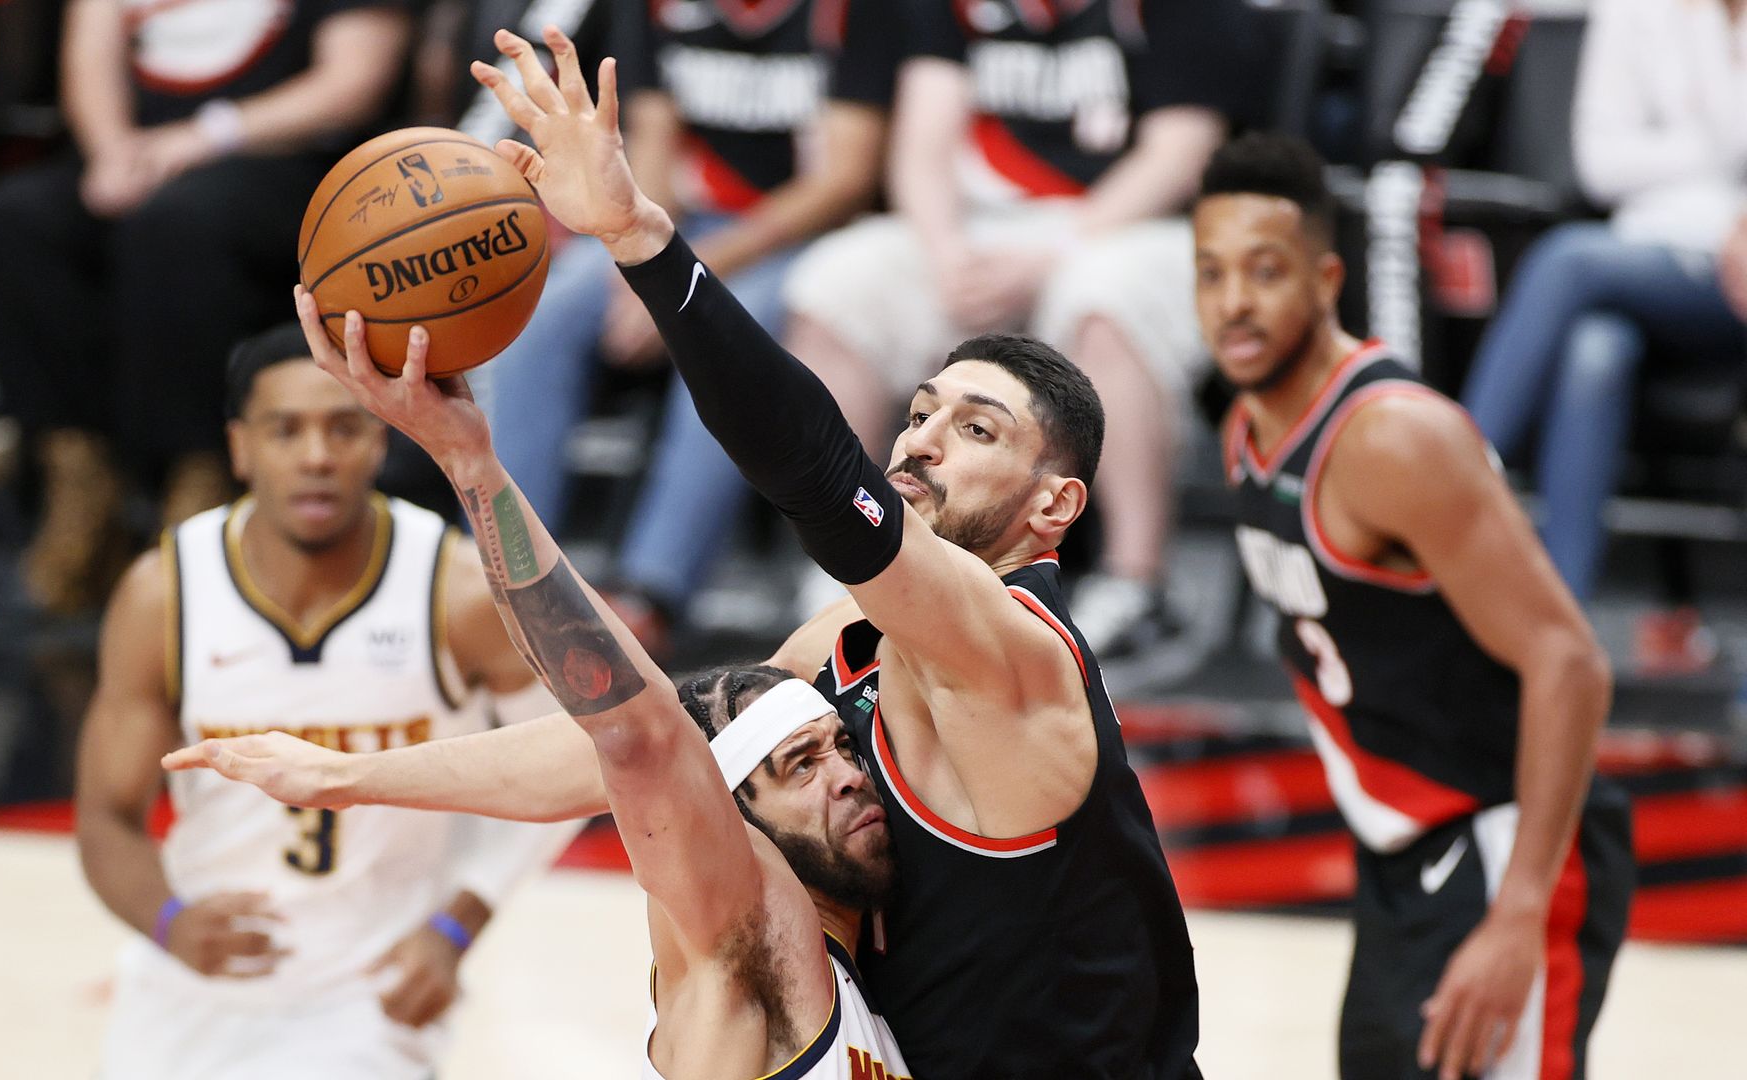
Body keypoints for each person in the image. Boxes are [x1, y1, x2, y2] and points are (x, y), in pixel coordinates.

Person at [171, 27, 1201, 1079]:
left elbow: (813, 472)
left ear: (1055, 506)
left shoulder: (1019, 655)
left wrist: (642, 242)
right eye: (924, 410)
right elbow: (641, 737)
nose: (923, 438)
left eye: (978, 431)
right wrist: (357, 775)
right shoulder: (850, 638)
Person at [179, 316, 912, 1080]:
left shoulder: (860, 988)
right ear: (729, 819)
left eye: (842, 747)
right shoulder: (747, 927)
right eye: (799, 766)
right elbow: (635, 728)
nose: (849, 773)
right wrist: (471, 462)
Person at [1197, 133, 1634, 1080]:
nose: (1233, 302)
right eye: (1211, 273)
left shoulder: (1394, 440)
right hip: (1405, 854)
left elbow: (1571, 662)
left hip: (1506, 839)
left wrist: (1519, 913)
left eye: (1263, 272)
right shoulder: (1247, 424)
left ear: (1325, 279)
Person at [77, 324, 577, 1079]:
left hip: (368, 997)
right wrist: (168, 922)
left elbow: (569, 766)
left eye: (343, 427)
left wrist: (454, 927)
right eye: (286, 431)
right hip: (190, 988)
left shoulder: (457, 592)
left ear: (378, 442)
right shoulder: (164, 594)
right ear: (241, 448)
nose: (316, 456)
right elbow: (106, 817)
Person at [779, 0, 1263, 656]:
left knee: (1103, 297)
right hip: (977, 228)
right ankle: (849, 559)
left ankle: (1137, 581)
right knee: (838, 282)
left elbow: (1179, 155)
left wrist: (1052, 252)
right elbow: (923, 147)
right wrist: (946, 252)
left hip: (1126, 226)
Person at [0, 0, 411, 614]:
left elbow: (351, 85)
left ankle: (197, 486)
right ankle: (81, 479)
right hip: (143, 153)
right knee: (11, 222)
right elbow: (88, 55)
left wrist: (202, 137)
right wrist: (111, 151)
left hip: (290, 160)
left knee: (175, 225)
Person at [482, 0, 901, 652]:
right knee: (548, 308)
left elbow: (844, 179)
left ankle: (651, 592)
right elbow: (650, 137)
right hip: (677, 223)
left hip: (790, 238)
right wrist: (637, 253)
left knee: (718, 339)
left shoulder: (847, 14)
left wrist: (678, 272)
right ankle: (502, 579)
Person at [1458, 0, 1747, 672]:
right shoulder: (1634, 9)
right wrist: (1724, 186)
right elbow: (1600, 163)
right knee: (1595, 350)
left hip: (1715, 281)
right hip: (1648, 258)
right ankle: (1562, 640)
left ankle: (1451, 480)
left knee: (1566, 261)